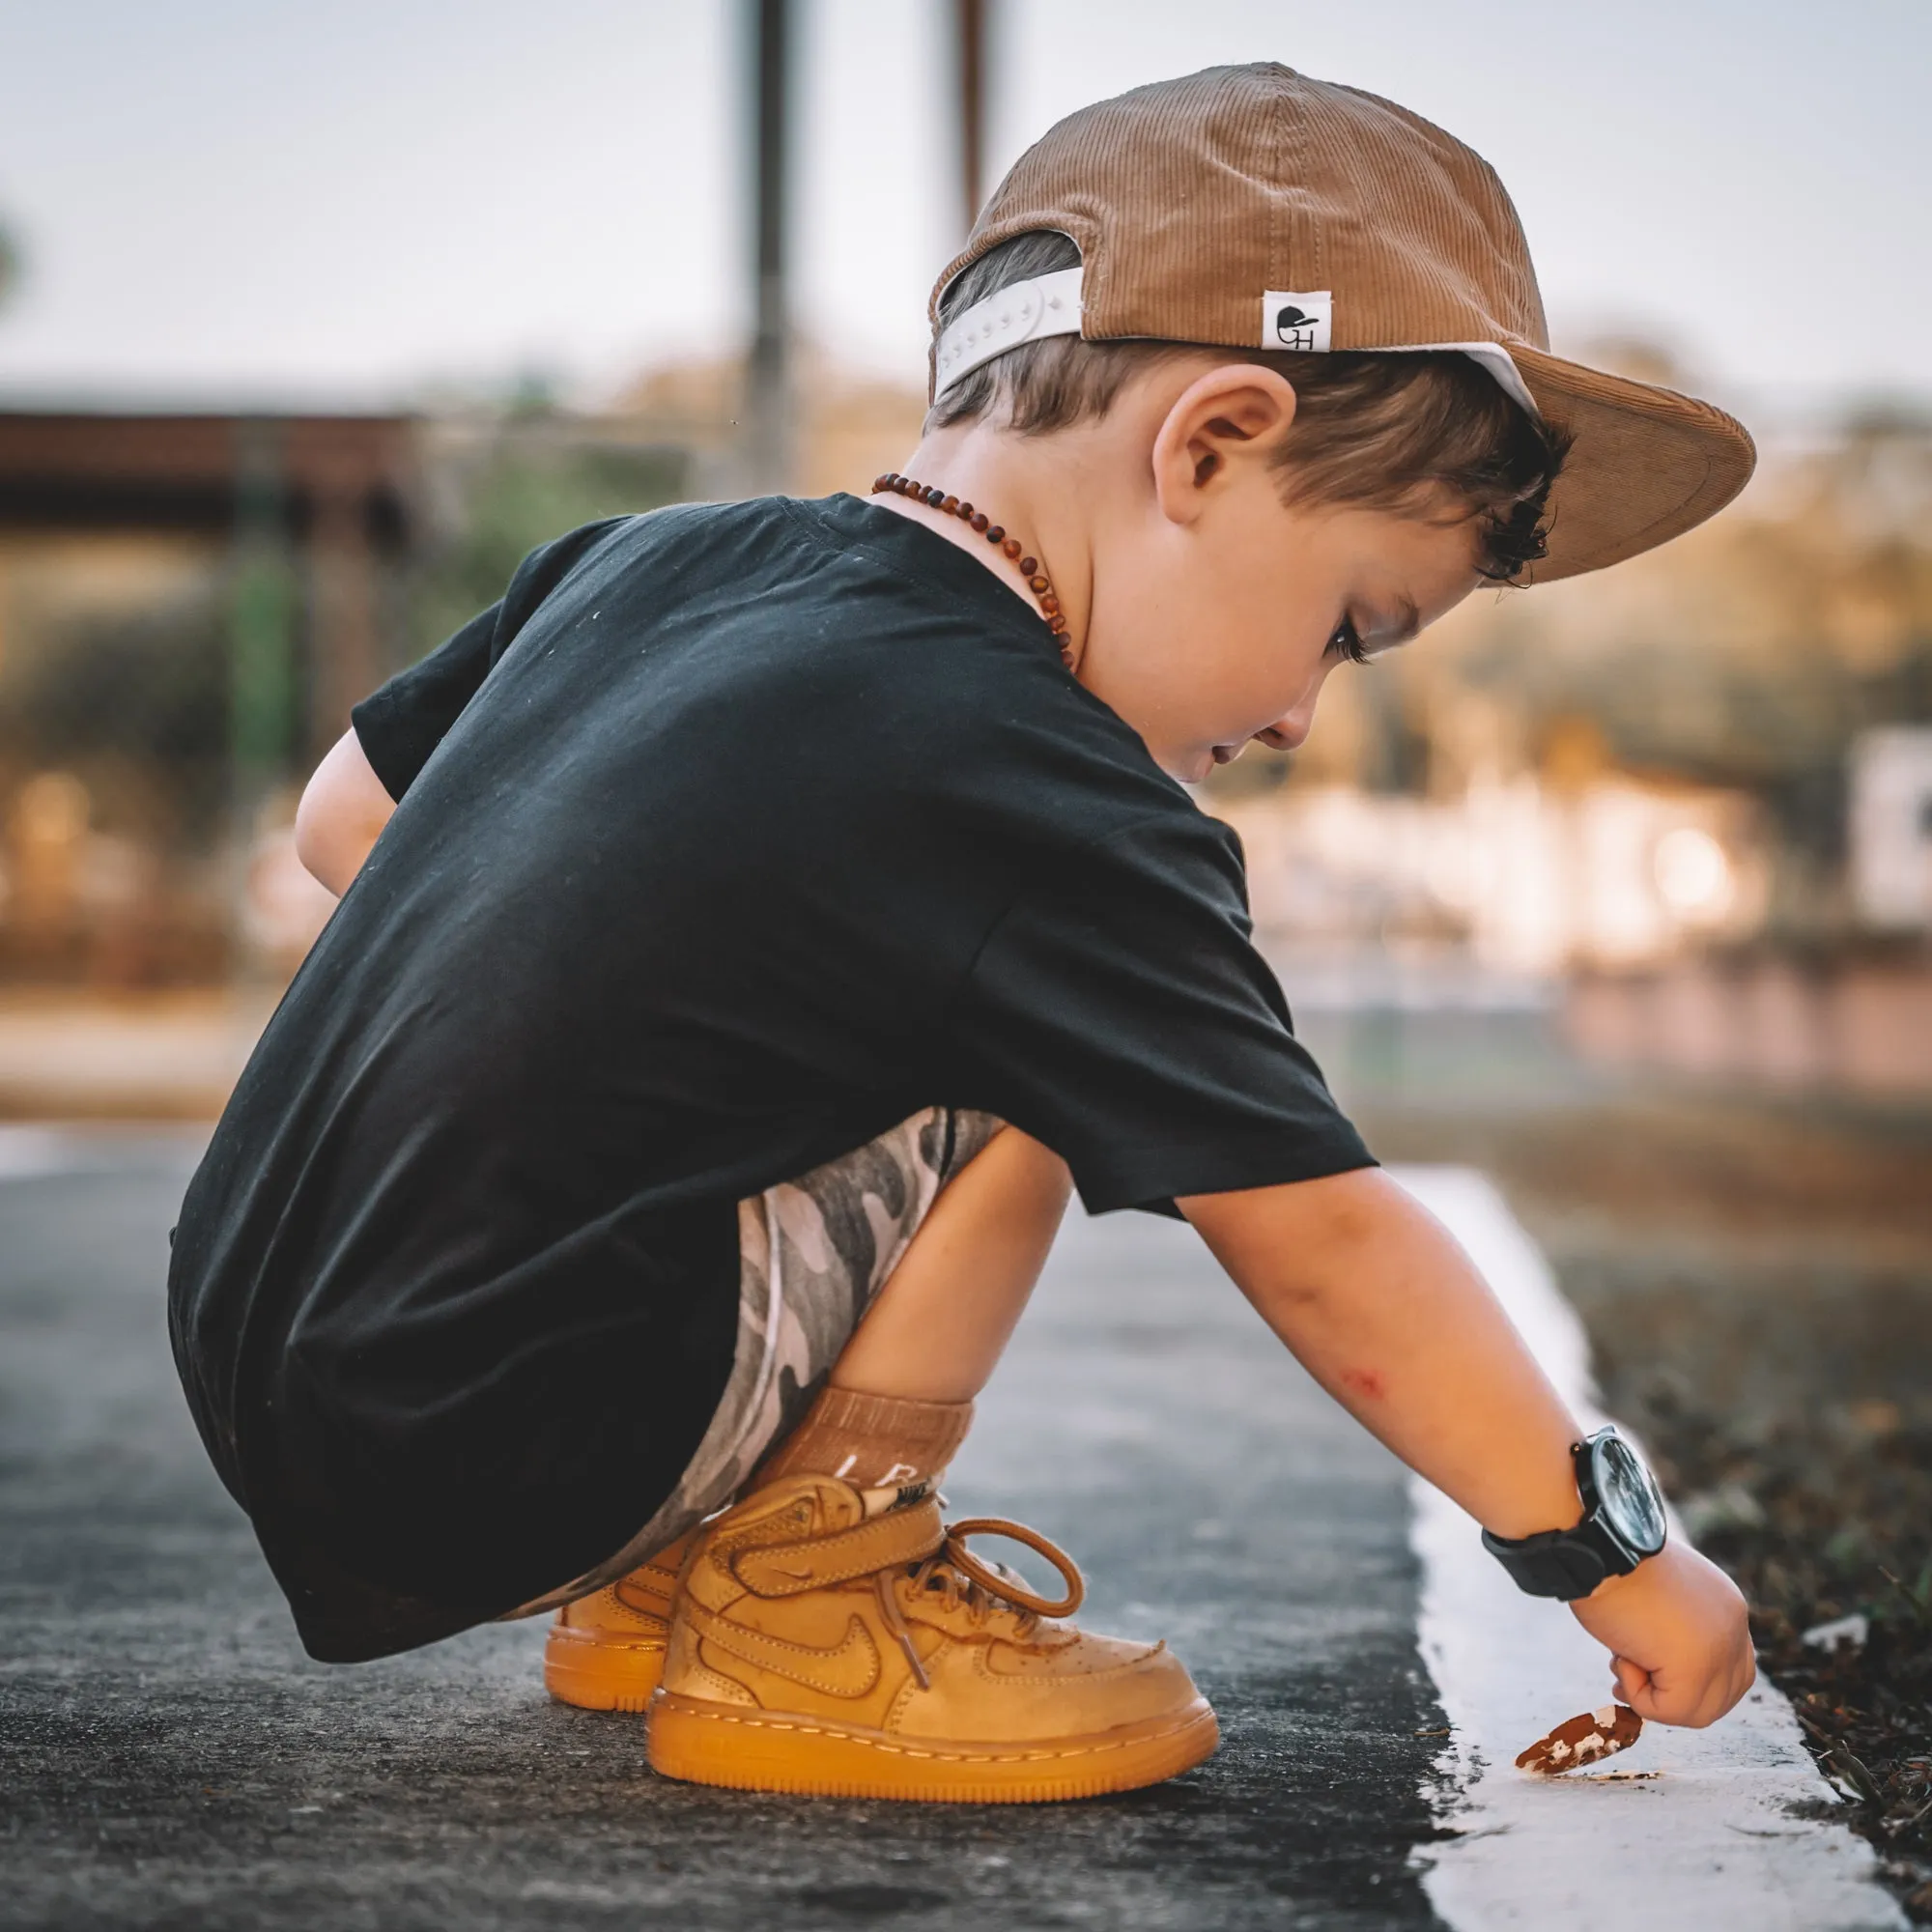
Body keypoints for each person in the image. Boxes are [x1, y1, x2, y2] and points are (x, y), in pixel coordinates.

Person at [168, 64, 1759, 1804]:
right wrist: (1612, 1557)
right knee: (1010, 1037)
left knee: (870, 989)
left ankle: (659, 1584)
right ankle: (804, 1605)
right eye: (1347, 628)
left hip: (264, 1344)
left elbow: (346, 822)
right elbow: (1321, 1241)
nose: (1303, 715)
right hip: (513, 1441)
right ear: (1209, 443)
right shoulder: (1050, 796)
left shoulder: (646, 564)